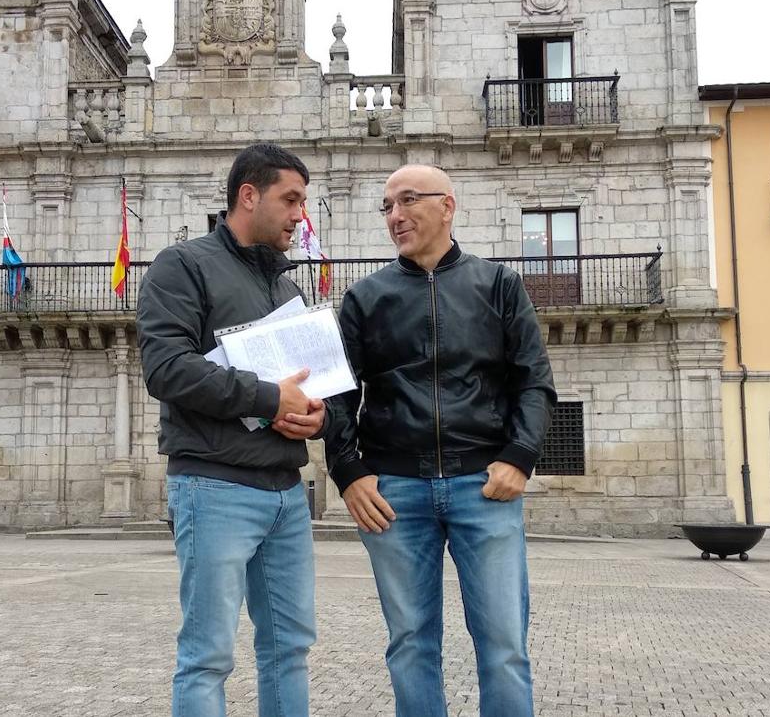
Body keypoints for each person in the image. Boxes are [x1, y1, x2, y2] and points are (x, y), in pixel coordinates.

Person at [325, 164, 556, 717]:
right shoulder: (364, 298)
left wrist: (519, 457)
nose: (395, 216)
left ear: (447, 205)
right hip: (395, 494)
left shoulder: (499, 285)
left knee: (503, 645)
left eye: (407, 201)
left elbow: (535, 381)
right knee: (410, 644)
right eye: (386, 206)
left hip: (486, 487)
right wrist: (349, 472)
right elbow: (338, 397)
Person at [136, 143, 327, 717]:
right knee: (208, 656)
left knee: (290, 649)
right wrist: (271, 398)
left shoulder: (289, 289)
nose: (300, 215)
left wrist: (317, 415)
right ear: (249, 195)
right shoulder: (182, 266)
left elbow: (310, 386)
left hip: (286, 495)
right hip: (213, 487)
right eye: (290, 200)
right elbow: (165, 368)